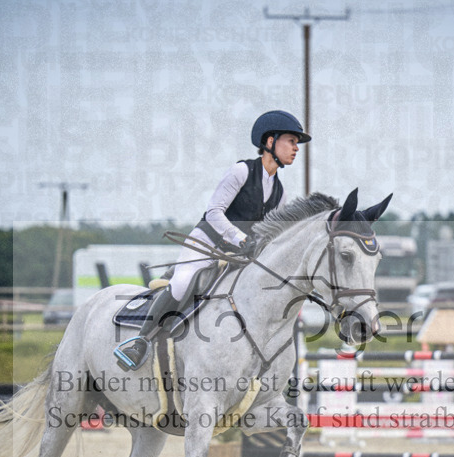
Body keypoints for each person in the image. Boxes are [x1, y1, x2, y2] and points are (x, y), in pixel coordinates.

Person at [115, 110, 311, 370]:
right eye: (291, 141)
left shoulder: (280, 191)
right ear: (270, 142)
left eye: (297, 143)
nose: (296, 148)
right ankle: (140, 340)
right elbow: (214, 212)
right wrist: (240, 238)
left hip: (238, 255)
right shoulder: (241, 171)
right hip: (206, 243)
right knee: (183, 283)